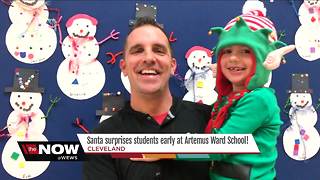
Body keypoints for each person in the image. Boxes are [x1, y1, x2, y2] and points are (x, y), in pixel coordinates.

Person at [83, 17, 211, 180]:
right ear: (124, 67)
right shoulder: (102, 140)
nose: (149, 58)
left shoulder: (208, 119)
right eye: (137, 50)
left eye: (158, 50)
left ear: (173, 66)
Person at [201, 12, 295, 180]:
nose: (234, 58)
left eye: (245, 51)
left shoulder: (258, 99)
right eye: (227, 51)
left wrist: (166, 149)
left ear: (263, 59)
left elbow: (218, 148)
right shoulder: (229, 98)